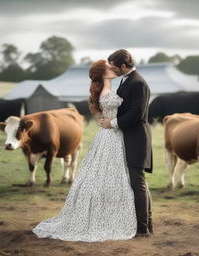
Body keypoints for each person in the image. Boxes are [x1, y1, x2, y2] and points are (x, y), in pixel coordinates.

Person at [32, 59, 137, 242]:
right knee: (108, 177)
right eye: (108, 68)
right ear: (103, 74)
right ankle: (101, 216)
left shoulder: (111, 89)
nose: (112, 69)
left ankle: (108, 212)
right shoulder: (106, 92)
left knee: (111, 177)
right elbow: (117, 112)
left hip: (112, 135)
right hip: (111, 135)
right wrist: (112, 122)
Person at [100, 49, 153, 237]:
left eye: (114, 66)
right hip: (130, 139)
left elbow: (137, 114)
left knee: (137, 183)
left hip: (137, 140)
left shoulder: (138, 83)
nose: (112, 69)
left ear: (123, 66)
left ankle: (142, 230)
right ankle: (147, 226)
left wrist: (112, 123)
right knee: (138, 183)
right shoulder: (127, 80)